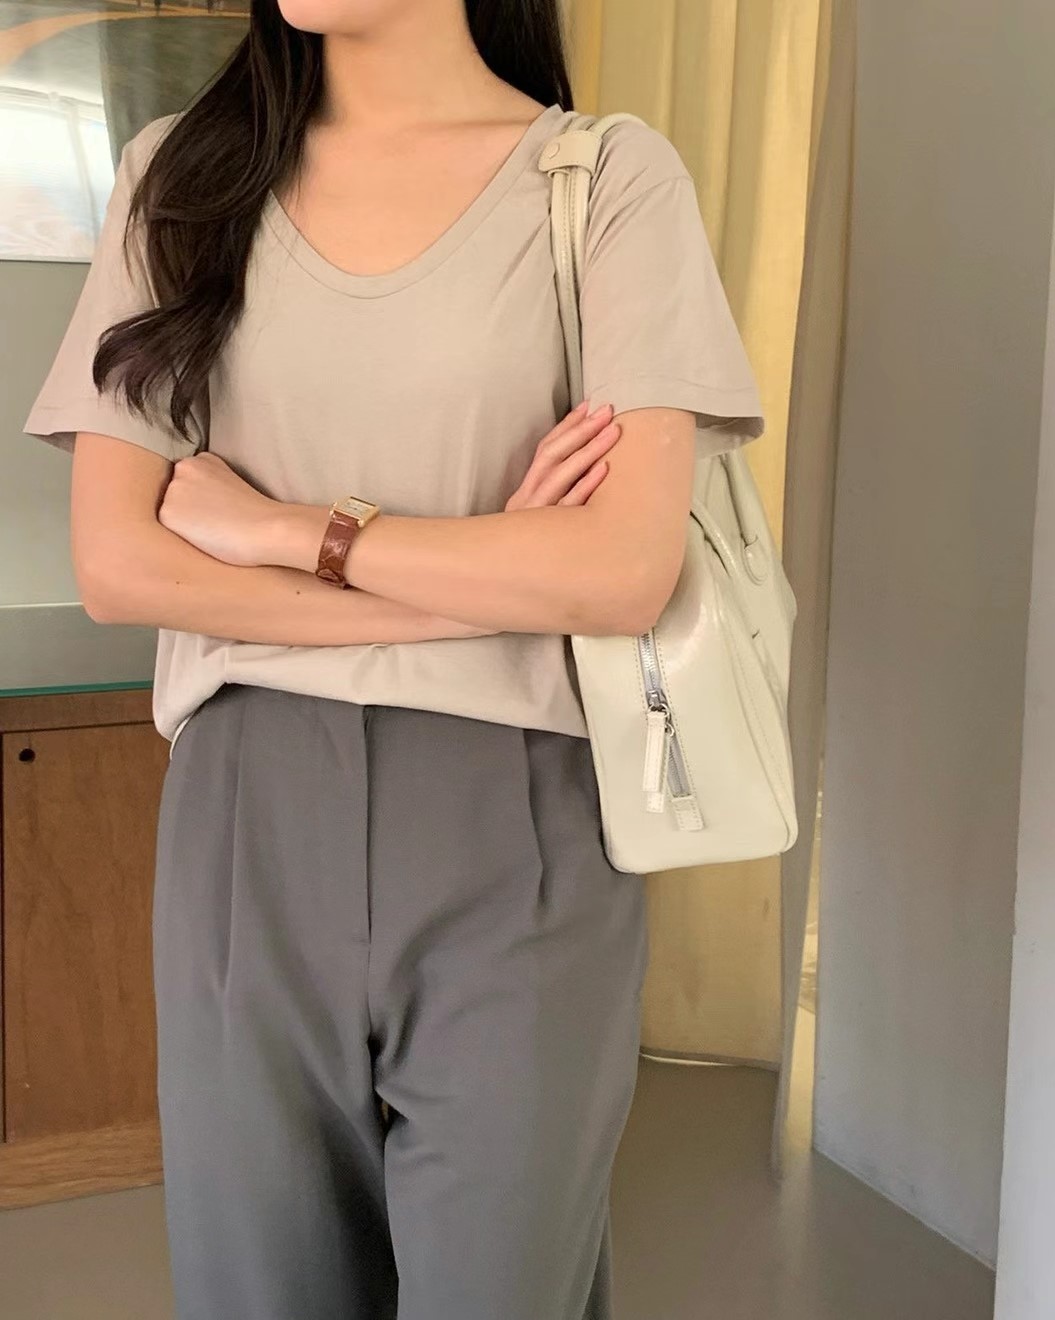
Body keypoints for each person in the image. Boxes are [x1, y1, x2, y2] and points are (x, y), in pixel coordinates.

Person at [22, 1, 764, 1316]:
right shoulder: (178, 179)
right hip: (245, 811)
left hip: (521, 816)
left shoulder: (600, 181)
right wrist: (493, 576)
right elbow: (121, 567)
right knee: (258, 1287)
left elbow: (619, 572)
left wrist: (285, 533)